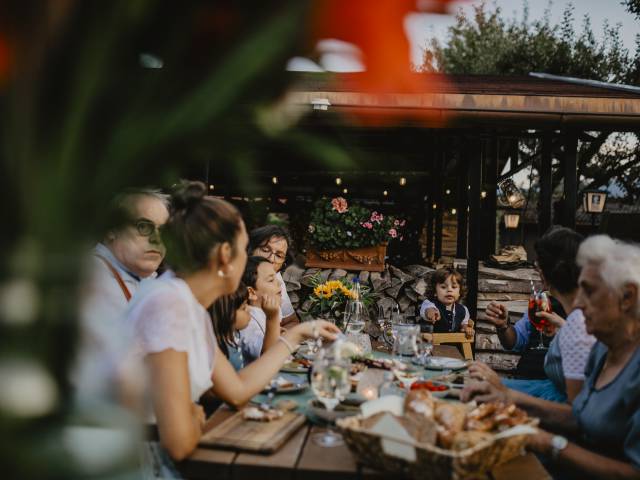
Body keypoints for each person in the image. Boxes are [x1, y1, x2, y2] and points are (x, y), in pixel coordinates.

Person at [127, 180, 339, 468]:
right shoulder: (169, 305)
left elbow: (237, 392)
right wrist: (191, 415)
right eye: (244, 250)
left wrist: (299, 334)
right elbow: (178, 444)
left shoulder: (190, 307)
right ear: (226, 255)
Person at [462, 235, 640, 479]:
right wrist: (508, 397)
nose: (578, 303)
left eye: (588, 291)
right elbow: (581, 417)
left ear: (628, 297)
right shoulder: (603, 348)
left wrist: (545, 442)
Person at [74, 188, 169, 400]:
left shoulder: (144, 279)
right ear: (111, 230)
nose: (157, 240)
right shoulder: (93, 280)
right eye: (143, 227)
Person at [484, 226, 594, 403]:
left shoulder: (581, 321)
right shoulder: (543, 304)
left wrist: (507, 394)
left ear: (543, 273)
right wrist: (503, 325)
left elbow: (578, 411)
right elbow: (515, 340)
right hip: (533, 383)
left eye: (538, 265)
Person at [248, 225, 299, 328]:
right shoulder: (234, 279)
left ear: (283, 264)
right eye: (266, 250)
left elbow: (292, 322)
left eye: (279, 256)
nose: (271, 258)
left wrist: (279, 337)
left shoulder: (276, 279)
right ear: (251, 249)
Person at [237, 256, 283, 363]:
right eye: (271, 280)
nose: (279, 283)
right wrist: (273, 318)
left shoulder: (269, 311)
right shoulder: (247, 322)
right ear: (251, 292)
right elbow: (268, 358)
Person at [419, 267, 474, 338]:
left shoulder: (463, 309)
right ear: (435, 292)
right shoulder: (429, 303)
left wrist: (466, 328)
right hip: (431, 343)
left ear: (459, 292)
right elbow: (427, 310)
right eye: (443, 287)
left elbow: (464, 323)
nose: (449, 290)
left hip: (452, 343)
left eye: (454, 287)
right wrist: (431, 312)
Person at [210, 283, 251, 371]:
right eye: (243, 308)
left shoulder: (234, 335)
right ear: (226, 314)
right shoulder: (217, 351)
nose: (249, 309)